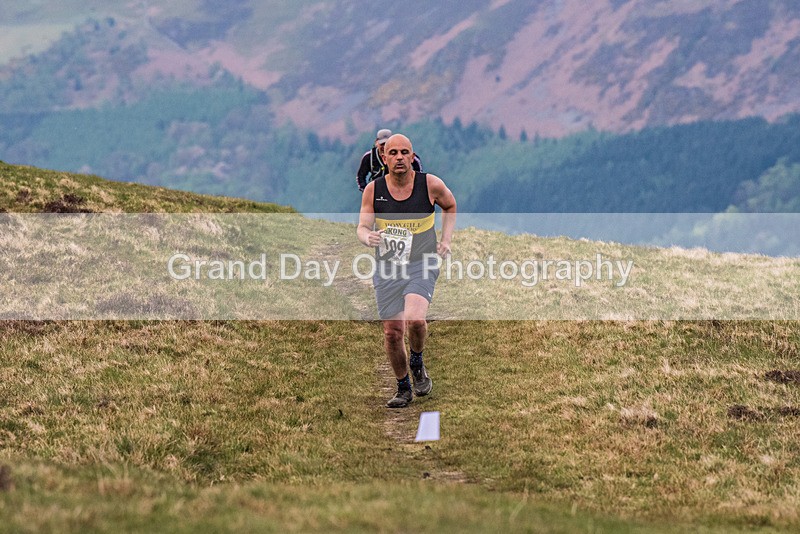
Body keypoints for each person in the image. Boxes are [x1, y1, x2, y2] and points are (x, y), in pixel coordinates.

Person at [357, 134, 456, 408]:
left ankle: (417, 360)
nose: (399, 158)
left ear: (413, 157)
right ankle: (403, 388)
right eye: (394, 153)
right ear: (384, 158)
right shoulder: (373, 190)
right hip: (388, 266)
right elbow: (362, 227)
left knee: (414, 320)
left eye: (405, 153)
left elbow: (450, 205)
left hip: (421, 262)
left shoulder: (430, 184)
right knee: (391, 331)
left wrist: (445, 240)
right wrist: (368, 238)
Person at [356, 128, 422, 192]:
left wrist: (414, 185)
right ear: (376, 142)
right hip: (377, 192)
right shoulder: (369, 157)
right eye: (382, 144)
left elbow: (418, 167)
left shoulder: (400, 154)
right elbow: (360, 176)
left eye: (387, 143)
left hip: (398, 191)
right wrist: (367, 191)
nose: (384, 147)